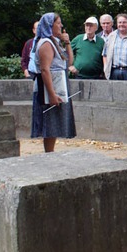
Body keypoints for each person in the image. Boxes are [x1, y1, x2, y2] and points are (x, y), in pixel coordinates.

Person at [30, 12, 76, 153]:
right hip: (48, 89)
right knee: (50, 124)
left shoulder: (54, 42)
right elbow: (45, 70)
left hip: (57, 85)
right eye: (58, 23)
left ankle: (50, 153)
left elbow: (69, 62)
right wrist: (51, 94)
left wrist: (67, 42)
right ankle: (49, 155)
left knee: (54, 123)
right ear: (50, 25)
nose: (61, 25)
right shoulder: (46, 44)